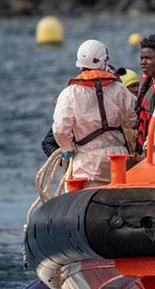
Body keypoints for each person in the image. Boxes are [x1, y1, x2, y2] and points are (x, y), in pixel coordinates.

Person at [52, 39, 137, 187]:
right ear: (103, 61)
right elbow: (133, 119)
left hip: (87, 163)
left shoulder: (69, 94)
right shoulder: (119, 89)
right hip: (118, 159)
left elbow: (60, 129)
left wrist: (67, 148)